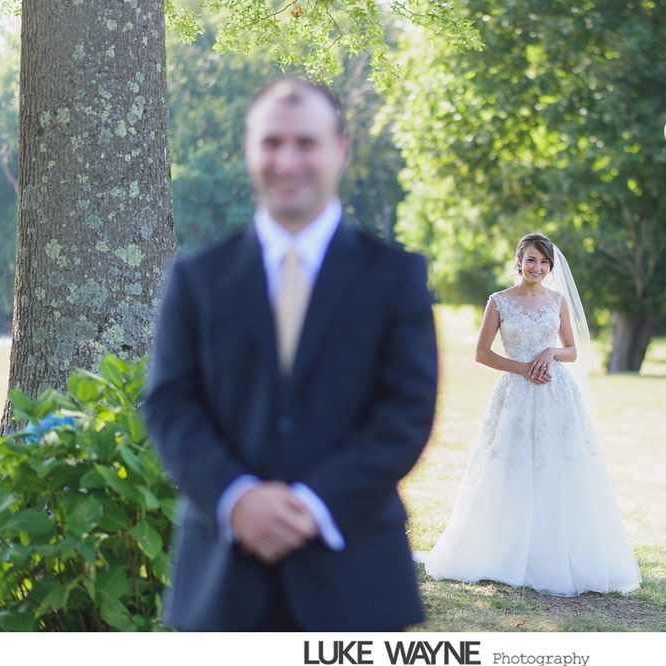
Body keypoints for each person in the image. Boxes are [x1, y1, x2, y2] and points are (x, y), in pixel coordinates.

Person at [143, 78, 438, 631]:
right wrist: (238, 498)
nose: (288, 160)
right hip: (223, 583)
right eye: (272, 143)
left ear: (340, 151)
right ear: (249, 151)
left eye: (306, 143)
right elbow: (171, 405)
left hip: (356, 579)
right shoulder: (197, 278)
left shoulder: (396, 277)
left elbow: (406, 412)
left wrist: (315, 504)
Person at [423, 233, 640, 596]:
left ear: (550, 267)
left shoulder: (557, 301)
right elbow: (482, 353)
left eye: (544, 262)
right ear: (519, 261)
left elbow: (572, 349)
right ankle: (504, 551)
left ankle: (556, 553)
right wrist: (524, 367)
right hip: (516, 395)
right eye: (531, 260)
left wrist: (550, 353)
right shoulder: (499, 302)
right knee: (510, 467)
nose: (537, 268)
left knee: (560, 468)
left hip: (556, 395)